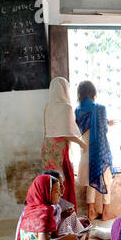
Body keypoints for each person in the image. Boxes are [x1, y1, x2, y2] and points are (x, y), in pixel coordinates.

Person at [41, 77, 88, 212]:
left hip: (46, 148)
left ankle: (51, 213)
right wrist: (82, 144)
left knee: (50, 182)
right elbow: (66, 133)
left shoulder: (48, 106)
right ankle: (65, 215)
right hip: (59, 149)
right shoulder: (66, 107)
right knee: (63, 183)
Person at [75, 80, 116, 221]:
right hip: (99, 149)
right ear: (93, 93)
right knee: (106, 180)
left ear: (80, 94)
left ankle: (91, 211)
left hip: (85, 148)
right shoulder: (100, 108)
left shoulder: (77, 110)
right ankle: (105, 212)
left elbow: (80, 128)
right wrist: (106, 123)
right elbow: (102, 129)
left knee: (90, 178)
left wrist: (104, 122)